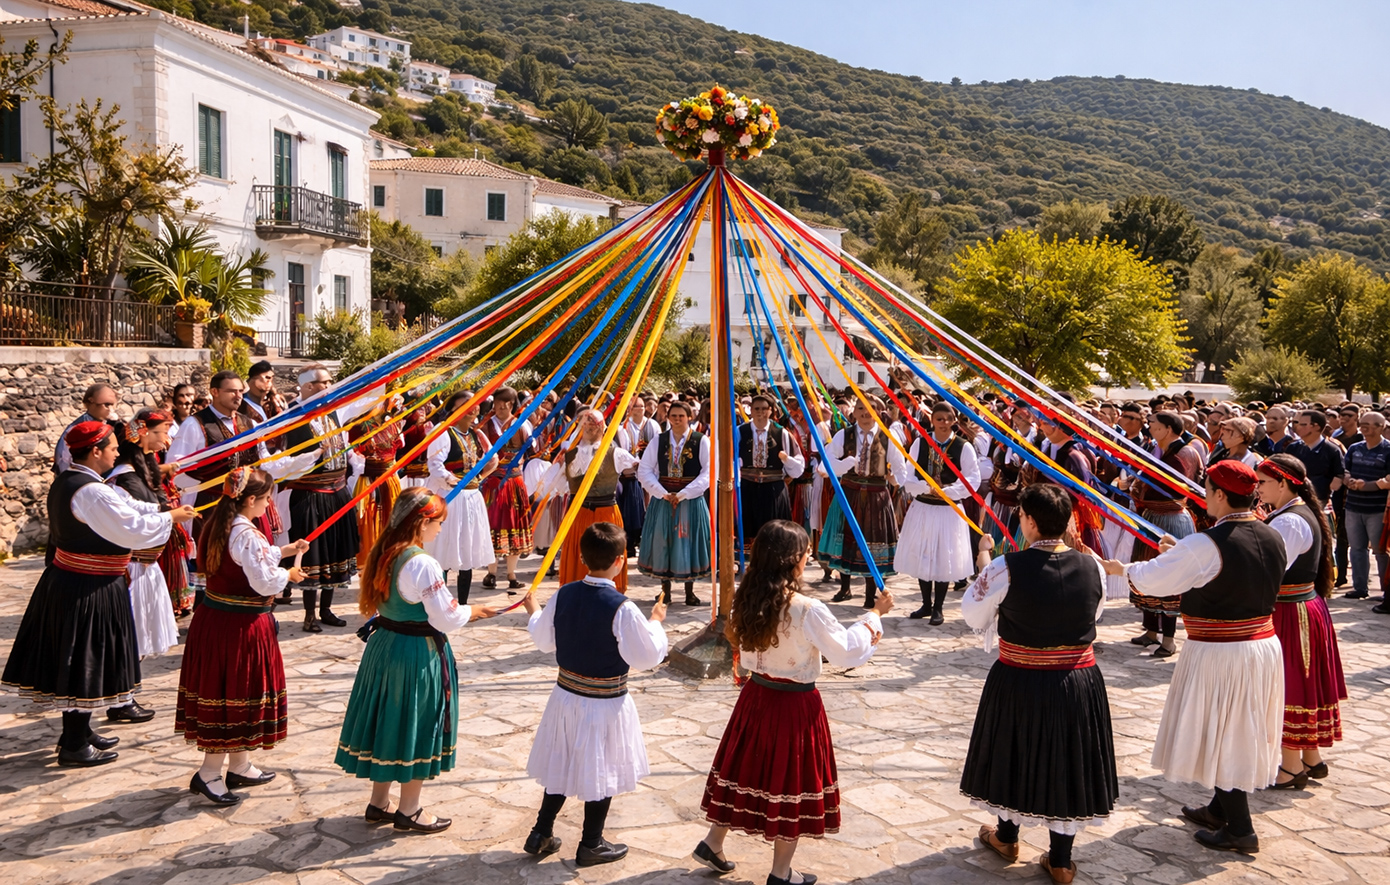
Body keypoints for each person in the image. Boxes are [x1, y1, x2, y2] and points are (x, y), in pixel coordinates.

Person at [1102, 461, 1285, 855]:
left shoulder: (1207, 544)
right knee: (1234, 726)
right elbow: (1212, 568)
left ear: (1220, 494)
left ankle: (1241, 828)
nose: (1202, 496)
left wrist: (1124, 569)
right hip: (1260, 646)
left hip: (1224, 651)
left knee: (1227, 732)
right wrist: (1179, 552)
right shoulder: (1270, 534)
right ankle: (1220, 809)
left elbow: (1157, 578)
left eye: (1206, 489)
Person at [697, 520, 892, 884]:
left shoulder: (746, 596)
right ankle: (781, 872)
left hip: (755, 699)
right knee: (790, 783)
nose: (809, 557)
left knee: (744, 769)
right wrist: (874, 615)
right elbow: (847, 651)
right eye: (805, 553)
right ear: (793, 561)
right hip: (793, 708)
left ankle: (713, 841)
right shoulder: (806, 609)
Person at [2, 421, 194, 765]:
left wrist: (163, 511)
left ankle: (79, 731)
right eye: (111, 447)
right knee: (83, 660)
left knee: (83, 658)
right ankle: (75, 744)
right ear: (95, 451)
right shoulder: (92, 491)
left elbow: (128, 510)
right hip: (86, 586)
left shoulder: (74, 482)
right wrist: (170, 518)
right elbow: (132, 529)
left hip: (78, 582)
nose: (117, 451)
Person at [961, 485, 1117, 884]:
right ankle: (1061, 859)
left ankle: (1008, 836)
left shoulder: (1004, 566)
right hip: (1077, 680)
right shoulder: (1093, 566)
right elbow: (1092, 612)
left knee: (1013, 747)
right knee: (1068, 756)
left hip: (1021, 676)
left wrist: (984, 555)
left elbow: (974, 616)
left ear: (1028, 521)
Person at [336, 487, 501, 832]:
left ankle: (379, 802)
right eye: (438, 522)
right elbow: (445, 617)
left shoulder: (386, 550)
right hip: (414, 654)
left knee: (388, 721)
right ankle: (409, 809)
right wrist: (475, 611)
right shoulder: (422, 563)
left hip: (384, 647)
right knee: (416, 724)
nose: (440, 529)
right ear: (422, 522)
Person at [520, 522, 669, 865]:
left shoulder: (564, 593)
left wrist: (533, 613)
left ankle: (541, 831)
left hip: (565, 696)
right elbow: (645, 656)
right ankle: (591, 842)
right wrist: (657, 621)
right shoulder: (623, 608)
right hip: (603, 702)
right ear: (620, 561)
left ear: (582, 556)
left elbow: (544, 641)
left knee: (562, 758)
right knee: (602, 767)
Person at [177, 468, 308, 805]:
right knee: (229, 696)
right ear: (250, 500)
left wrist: (286, 549)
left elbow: (249, 560)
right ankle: (208, 773)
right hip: (236, 627)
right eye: (265, 499)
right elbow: (262, 580)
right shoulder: (245, 534)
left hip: (221, 621)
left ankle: (239, 764)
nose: (268, 505)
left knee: (238, 693)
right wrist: (289, 574)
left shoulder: (221, 524)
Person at [1255, 455, 1348, 788]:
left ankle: (1291, 765)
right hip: (1300, 608)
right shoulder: (1289, 513)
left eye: (1262, 482)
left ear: (1282, 483)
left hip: (1292, 612)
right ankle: (1311, 757)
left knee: (1290, 684)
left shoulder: (1290, 522)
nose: (1257, 488)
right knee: (1296, 681)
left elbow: (1270, 570)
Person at [106, 410, 183, 721]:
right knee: (131, 633)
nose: (166, 438)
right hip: (133, 565)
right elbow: (136, 517)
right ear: (142, 434)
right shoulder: (124, 477)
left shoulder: (141, 471)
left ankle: (125, 695)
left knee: (137, 633)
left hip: (146, 562)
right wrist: (169, 513)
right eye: (161, 431)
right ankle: (120, 699)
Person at [280, 365, 359, 632]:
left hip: (337, 492)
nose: (329, 387)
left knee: (335, 551)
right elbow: (284, 459)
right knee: (311, 554)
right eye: (325, 383)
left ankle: (326, 609)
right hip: (310, 495)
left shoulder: (333, 411)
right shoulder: (292, 416)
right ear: (309, 387)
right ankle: (309, 614)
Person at [1123, 412, 1203, 657]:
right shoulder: (1167, 451)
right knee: (1148, 570)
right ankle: (1150, 631)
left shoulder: (1180, 455)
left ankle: (1168, 638)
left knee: (1168, 574)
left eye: (1154, 426)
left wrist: (1138, 484)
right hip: (1155, 516)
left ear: (1168, 429)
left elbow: (1168, 488)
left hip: (1168, 518)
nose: (1150, 429)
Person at [894, 403, 982, 623]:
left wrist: (948, 492)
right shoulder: (920, 443)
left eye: (948, 419)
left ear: (954, 421)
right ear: (932, 420)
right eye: (939, 419)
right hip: (923, 507)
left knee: (944, 555)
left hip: (948, 511)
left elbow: (973, 479)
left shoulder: (963, 446)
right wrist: (925, 487)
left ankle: (939, 607)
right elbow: (908, 476)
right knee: (924, 554)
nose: (943, 423)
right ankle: (925, 604)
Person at [539, 409, 641, 592]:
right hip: (579, 512)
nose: (589, 429)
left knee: (609, 554)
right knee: (579, 554)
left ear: (603, 428)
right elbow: (556, 484)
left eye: (594, 425)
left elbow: (640, 469)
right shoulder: (570, 455)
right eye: (586, 425)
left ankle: (611, 595)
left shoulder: (615, 453)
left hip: (607, 512)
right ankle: (576, 594)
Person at [819, 396, 904, 607]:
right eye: (861, 409)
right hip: (849, 492)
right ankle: (844, 587)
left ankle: (869, 595)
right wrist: (846, 464)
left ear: (879, 412)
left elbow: (902, 471)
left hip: (877, 495)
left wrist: (894, 478)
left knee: (873, 542)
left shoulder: (888, 437)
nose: (866, 414)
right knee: (847, 539)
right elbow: (824, 467)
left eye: (871, 409)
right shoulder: (843, 435)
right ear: (853, 412)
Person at [424, 390, 497, 604]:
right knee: (445, 547)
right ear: (454, 408)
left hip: (472, 498)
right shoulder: (443, 432)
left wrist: (479, 478)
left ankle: (463, 604)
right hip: (450, 497)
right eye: (466, 403)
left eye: (475, 404)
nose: (473, 407)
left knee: (466, 548)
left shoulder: (477, 434)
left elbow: (493, 459)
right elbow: (435, 466)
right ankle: (441, 602)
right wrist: (452, 480)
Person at [637, 401, 712, 605]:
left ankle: (689, 592)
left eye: (681, 415)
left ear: (689, 417)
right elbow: (644, 470)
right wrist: (662, 493)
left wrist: (684, 494)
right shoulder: (658, 441)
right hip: (664, 499)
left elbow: (708, 472)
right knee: (663, 541)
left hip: (690, 500)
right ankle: (665, 591)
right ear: (668, 417)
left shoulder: (701, 440)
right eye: (673, 415)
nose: (677, 419)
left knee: (689, 541)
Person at [737, 394, 806, 557]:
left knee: (774, 530)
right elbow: (727, 459)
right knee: (747, 528)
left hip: (773, 488)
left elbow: (798, 468)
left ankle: (773, 564)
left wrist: (786, 459)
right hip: (747, 487)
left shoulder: (782, 433)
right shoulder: (740, 431)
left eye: (764, 409)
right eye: (756, 409)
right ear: (751, 411)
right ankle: (746, 565)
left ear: (771, 411)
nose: (760, 412)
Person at [480, 386, 535, 591]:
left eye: (503, 405)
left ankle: (512, 574)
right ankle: (491, 572)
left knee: (516, 526)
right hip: (492, 482)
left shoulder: (522, 424)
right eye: (496, 404)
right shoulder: (486, 425)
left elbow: (533, 450)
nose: (499, 409)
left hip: (514, 481)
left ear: (511, 404)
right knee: (491, 525)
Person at [348, 394, 405, 564]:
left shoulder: (393, 425)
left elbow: (396, 452)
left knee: (391, 517)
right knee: (368, 518)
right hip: (368, 481)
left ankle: (390, 557)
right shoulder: (358, 427)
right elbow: (351, 453)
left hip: (390, 479)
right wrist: (365, 466)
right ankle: (370, 559)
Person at [1342, 411, 1390, 605]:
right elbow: (1344, 470)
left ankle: (1387, 591)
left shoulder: (1388, 450)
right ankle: (1360, 587)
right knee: (1356, 548)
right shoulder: (1354, 448)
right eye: (1364, 424)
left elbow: (1388, 481)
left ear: (1382, 427)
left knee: (1380, 551)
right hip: (1353, 506)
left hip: (1377, 508)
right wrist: (1349, 481)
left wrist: (1367, 485)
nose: (1367, 428)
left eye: (1373, 425)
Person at [617, 396, 660, 557]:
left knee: (649, 507)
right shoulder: (623, 428)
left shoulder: (652, 425)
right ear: (630, 409)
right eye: (636, 406)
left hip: (650, 473)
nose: (640, 409)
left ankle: (647, 542)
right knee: (632, 510)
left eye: (642, 406)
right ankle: (630, 540)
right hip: (631, 474)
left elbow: (657, 446)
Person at [54, 382, 118, 474]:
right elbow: (63, 460)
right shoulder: (76, 429)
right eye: (106, 405)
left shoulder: (112, 425)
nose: (110, 409)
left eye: (112, 405)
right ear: (92, 401)